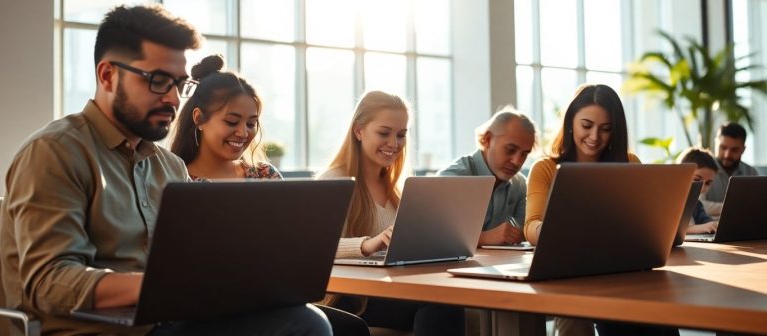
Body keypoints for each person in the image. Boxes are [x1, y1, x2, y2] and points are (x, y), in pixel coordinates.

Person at [0, 4, 331, 336]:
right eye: (158, 81)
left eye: (180, 84)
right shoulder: (55, 153)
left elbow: (197, 259)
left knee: (334, 323)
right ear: (107, 75)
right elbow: (48, 282)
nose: (174, 98)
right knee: (303, 326)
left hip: (172, 320)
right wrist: (167, 289)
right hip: (98, 331)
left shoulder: (169, 166)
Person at [169, 54, 369, 336]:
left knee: (353, 329)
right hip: (208, 309)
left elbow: (294, 244)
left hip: (270, 300)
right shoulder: (176, 180)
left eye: (251, 123)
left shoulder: (264, 174)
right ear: (199, 119)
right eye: (232, 122)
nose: (243, 132)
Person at [525, 84, 677, 336]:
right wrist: (558, 233)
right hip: (571, 271)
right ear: (570, 122)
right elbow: (531, 226)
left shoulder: (629, 164)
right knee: (576, 316)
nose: (595, 136)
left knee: (652, 312)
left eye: (605, 129)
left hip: (624, 270)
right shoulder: (546, 169)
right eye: (587, 125)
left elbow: (645, 221)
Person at [318, 90, 465, 336]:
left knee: (446, 299)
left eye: (401, 135)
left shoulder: (399, 187)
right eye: (384, 133)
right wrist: (367, 245)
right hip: (348, 298)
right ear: (358, 131)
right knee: (439, 303)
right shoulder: (333, 181)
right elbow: (315, 249)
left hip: (390, 288)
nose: (394, 144)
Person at [437, 105, 536, 245]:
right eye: (510, 149)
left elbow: (523, 233)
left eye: (525, 154)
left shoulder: (520, 185)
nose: (517, 161)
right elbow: (430, 234)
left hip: (499, 264)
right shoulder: (452, 178)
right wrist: (484, 238)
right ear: (488, 139)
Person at [701, 122, 759, 218]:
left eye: (734, 150)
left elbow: (758, 205)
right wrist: (735, 208)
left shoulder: (751, 173)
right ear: (716, 143)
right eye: (723, 148)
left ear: (743, 150)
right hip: (709, 227)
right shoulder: (702, 170)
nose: (727, 155)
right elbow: (697, 205)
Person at [676, 148, 719, 235]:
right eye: (697, 179)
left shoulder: (697, 204)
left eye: (707, 183)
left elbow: (707, 222)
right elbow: (674, 231)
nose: (702, 188)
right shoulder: (671, 203)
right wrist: (702, 228)